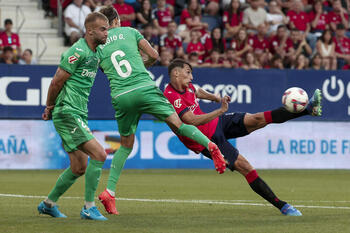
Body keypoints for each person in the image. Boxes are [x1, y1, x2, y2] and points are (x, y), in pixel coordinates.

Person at [97, 6, 226, 215]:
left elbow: (106, 69)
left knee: (125, 146)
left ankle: (109, 192)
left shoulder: (99, 45)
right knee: (178, 123)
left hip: (120, 96)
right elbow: (154, 55)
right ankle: (211, 146)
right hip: (143, 88)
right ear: (117, 20)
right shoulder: (130, 32)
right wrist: (142, 63)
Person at [164, 58, 323, 216]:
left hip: (216, 123)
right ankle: (283, 206)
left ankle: (308, 109)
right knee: (246, 167)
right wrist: (220, 110)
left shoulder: (188, 87)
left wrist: (217, 98)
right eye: (188, 72)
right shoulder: (170, 95)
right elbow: (190, 120)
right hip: (206, 139)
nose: (191, 77)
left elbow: (197, 91)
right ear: (176, 73)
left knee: (257, 119)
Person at [37, 12, 109, 221]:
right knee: (100, 154)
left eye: (107, 28)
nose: (106, 33)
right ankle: (88, 207)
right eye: (102, 29)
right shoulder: (78, 51)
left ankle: (48, 204)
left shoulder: (96, 53)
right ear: (90, 31)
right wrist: (49, 107)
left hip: (78, 112)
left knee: (79, 167)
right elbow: (56, 82)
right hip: (67, 111)